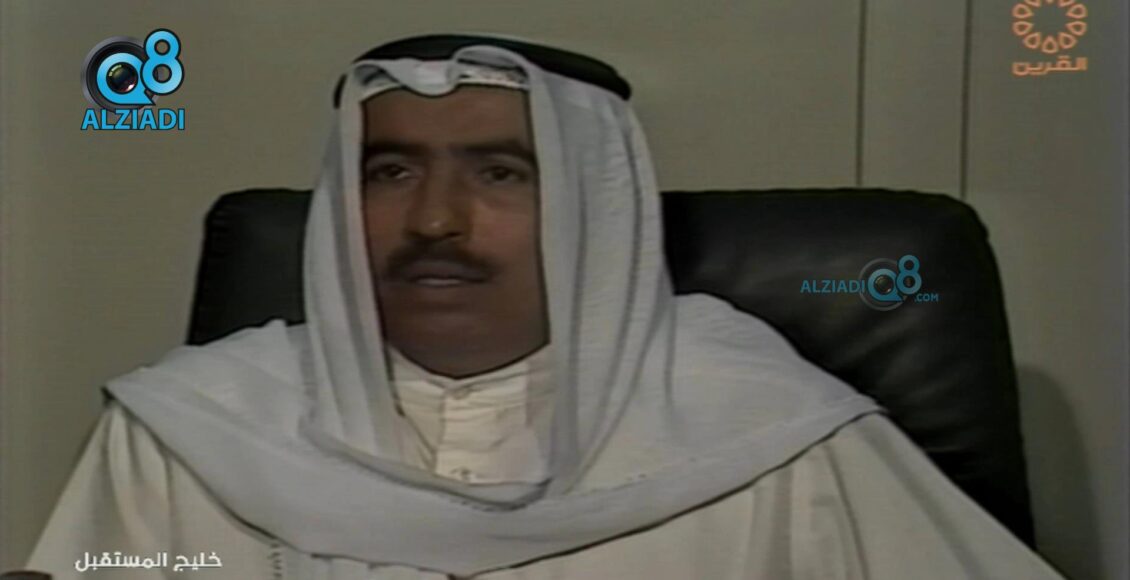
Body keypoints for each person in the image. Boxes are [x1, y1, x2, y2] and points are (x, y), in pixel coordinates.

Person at [22, 34, 1067, 579]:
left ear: (594, 208)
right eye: (390, 172)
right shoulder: (193, 429)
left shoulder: (770, 431)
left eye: (500, 173)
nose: (434, 220)